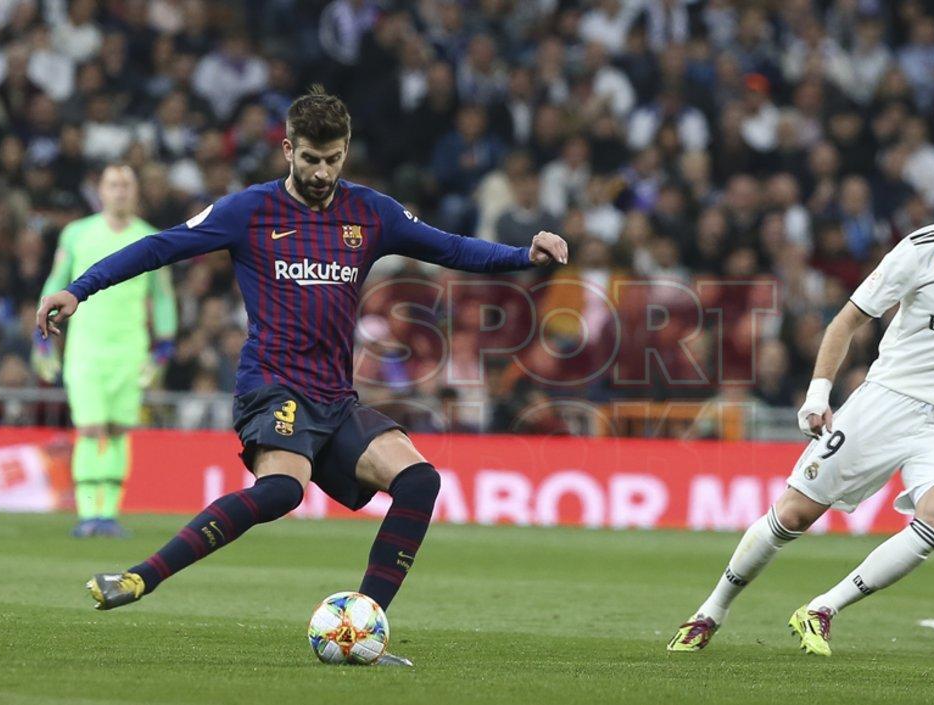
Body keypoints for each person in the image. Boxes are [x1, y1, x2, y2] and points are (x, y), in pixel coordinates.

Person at [37, 86, 569, 666]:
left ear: (346, 152)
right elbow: (158, 248)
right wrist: (78, 289)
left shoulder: (371, 212)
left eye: (332, 159)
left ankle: (362, 627)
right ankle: (141, 577)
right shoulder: (249, 211)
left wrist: (525, 255)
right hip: (272, 387)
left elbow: (452, 248)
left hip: (335, 397)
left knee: (420, 481)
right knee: (282, 490)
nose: (321, 172)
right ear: (288, 149)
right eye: (310, 158)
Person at [667, 157, 934, 656]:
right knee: (794, 514)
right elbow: (845, 322)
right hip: (887, 403)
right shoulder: (919, 251)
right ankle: (710, 612)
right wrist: (818, 395)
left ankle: (823, 609)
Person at [33, 164, 177, 539]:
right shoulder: (77, 233)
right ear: (100, 190)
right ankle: (87, 513)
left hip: (130, 349)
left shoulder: (150, 238)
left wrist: (163, 346)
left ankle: (108, 514)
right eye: (113, 184)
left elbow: (162, 296)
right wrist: (41, 338)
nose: (120, 191)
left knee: (117, 430)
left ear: (136, 191)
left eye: (127, 184)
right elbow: (56, 280)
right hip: (86, 348)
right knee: (89, 428)